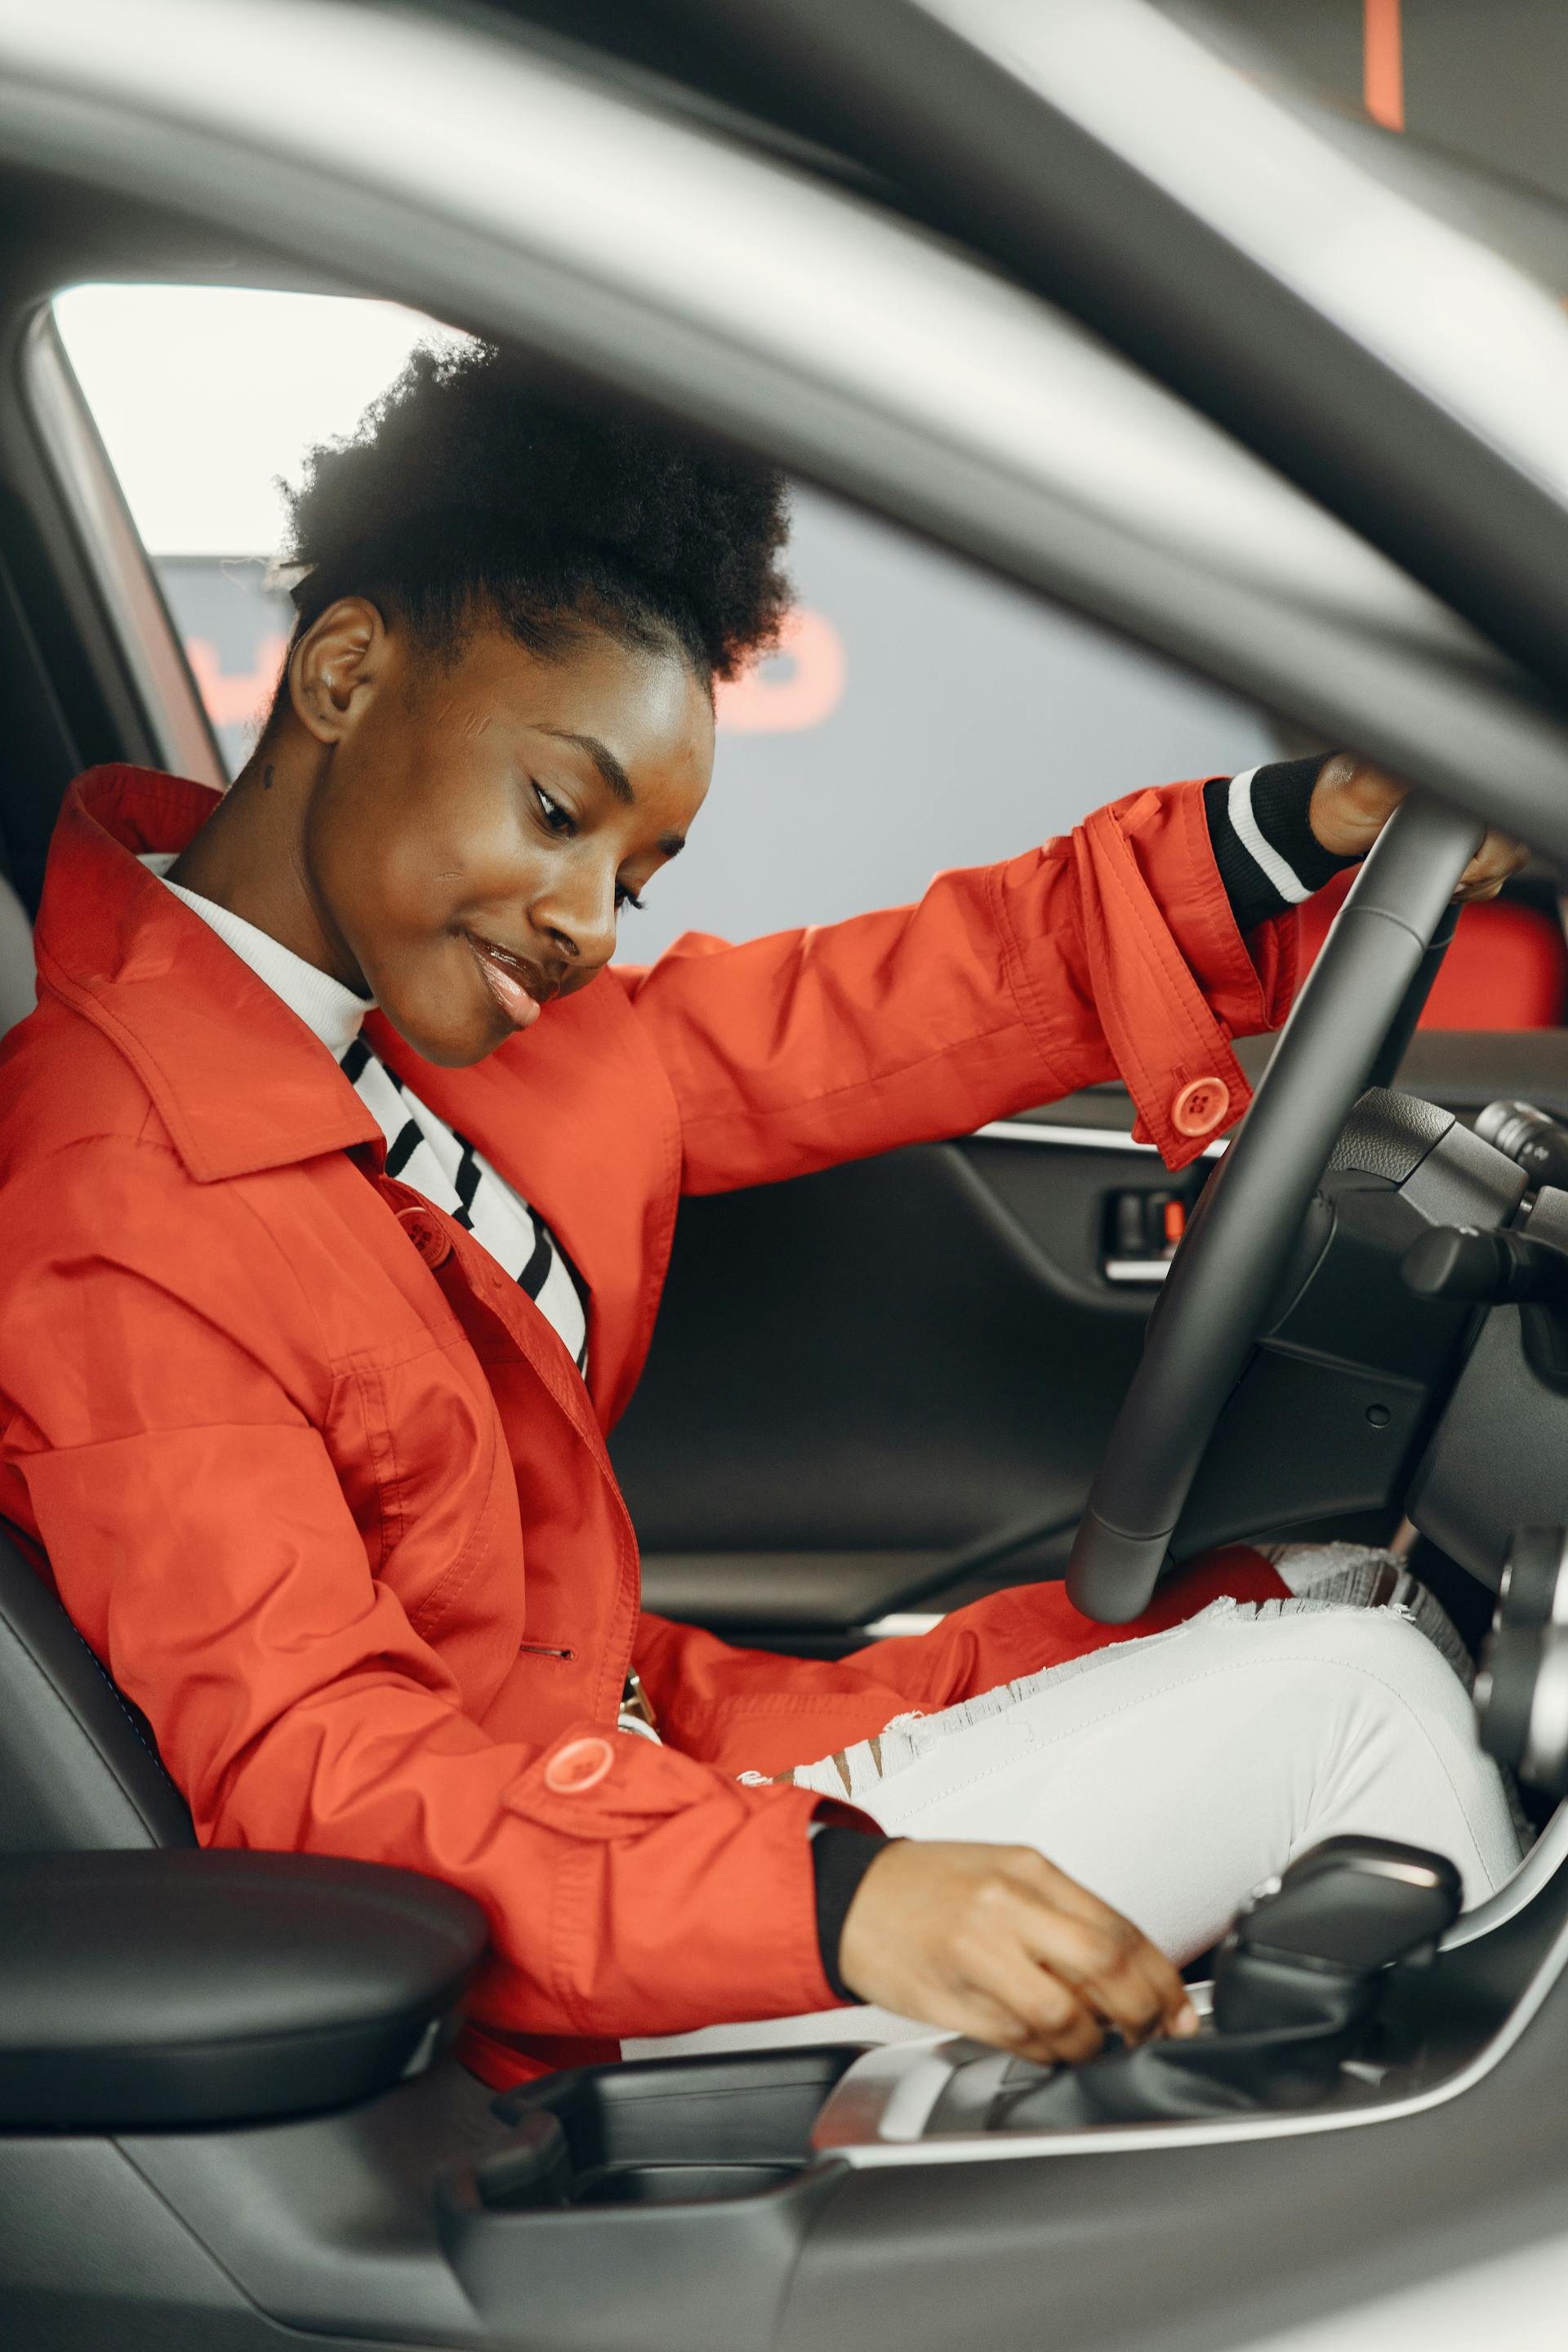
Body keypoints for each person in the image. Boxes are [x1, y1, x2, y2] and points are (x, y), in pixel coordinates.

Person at [0, 346, 1525, 2090]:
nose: (585, 922)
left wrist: (1287, 833)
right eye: (559, 813)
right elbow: (320, 1776)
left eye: (631, 878)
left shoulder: (416, 1036)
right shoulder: (114, 1198)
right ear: (347, 671)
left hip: (657, 1795)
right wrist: (838, 1904)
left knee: (1345, 1603)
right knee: (1364, 1712)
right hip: (547, 1954)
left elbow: (887, 1003)